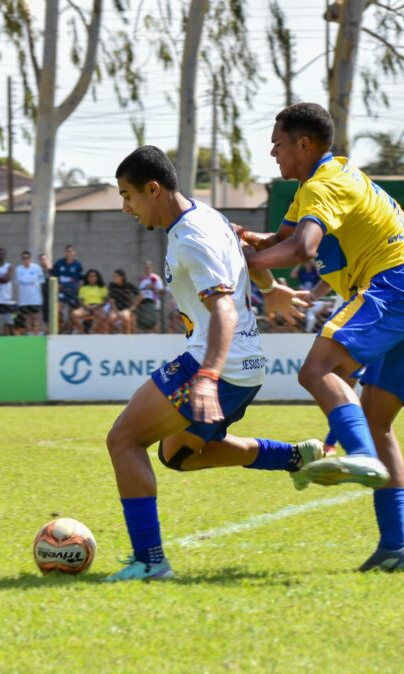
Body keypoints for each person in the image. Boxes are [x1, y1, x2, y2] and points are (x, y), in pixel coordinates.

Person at [243, 102, 404, 572]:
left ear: (304, 144)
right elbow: (279, 239)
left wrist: (252, 268)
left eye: (278, 143)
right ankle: (395, 550)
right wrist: (247, 243)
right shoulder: (316, 186)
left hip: (397, 282)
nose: (272, 151)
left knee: (315, 370)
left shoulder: (324, 183)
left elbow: (300, 248)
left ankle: (355, 454)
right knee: (377, 422)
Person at [102, 146, 318, 581]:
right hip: (245, 365)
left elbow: (223, 310)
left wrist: (206, 375)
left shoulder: (192, 238)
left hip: (216, 362)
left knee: (123, 440)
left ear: (153, 188)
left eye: (128, 196)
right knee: (180, 455)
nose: (126, 207)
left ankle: (149, 561)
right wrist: (271, 288)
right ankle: (295, 457)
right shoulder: (208, 217)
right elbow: (242, 252)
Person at [51, 244, 84, 326]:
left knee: (72, 312)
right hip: (62, 290)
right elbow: (53, 276)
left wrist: (80, 291)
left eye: (71, 251)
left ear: (74, 253)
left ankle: (68, 329)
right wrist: (57, 285)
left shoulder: (78, 265)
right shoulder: (59, 263)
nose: (69, 253)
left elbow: (80, 280)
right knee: (58, 308)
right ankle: (61, 324)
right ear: (65, 253)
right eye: (67, 251)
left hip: (73, 291)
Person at [15, 250, 46, 335]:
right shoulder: (18, 269)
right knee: (27, 318)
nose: (25, 260)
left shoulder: (37, 268)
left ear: (30, 258)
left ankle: (39, 333)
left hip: (35, 298)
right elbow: (17, 283)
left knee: (37, 317)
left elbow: (41, 281)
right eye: (23, 258)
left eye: (27, 258)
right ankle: (30, 334)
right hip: (24, 299)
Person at [71, 269, 109, 334]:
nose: (92, 278)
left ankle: (102, 334)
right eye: (90, 276)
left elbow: (104, 300)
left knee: (103, 317)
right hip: (86, 307)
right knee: (74, 314)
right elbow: (81, 300)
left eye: (94, 276)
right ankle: (82, 332)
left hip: (98, 307)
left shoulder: (102, 287)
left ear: (97, 277)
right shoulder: (83, 288)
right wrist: (86, 306)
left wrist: (96, 306)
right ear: (87, 278)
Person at [136, 261, 166, 333]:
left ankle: (157, 338)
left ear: (152, 268)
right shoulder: (142, 279)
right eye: (146, 268)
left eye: (148, 267)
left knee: (155, 322)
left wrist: (153, 288)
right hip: (143, 304)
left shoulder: (155, 278)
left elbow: (162, 292)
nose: (147, 269)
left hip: (154, 303)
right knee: (145, 324)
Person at [106, 269, 139, 334]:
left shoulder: (128, 285)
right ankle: (112, 336)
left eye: (116, 277)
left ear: (122, 277)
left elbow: (140, 295)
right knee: (110, 320)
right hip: (115, 309)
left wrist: (134, 306)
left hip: (126, 309)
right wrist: (117, 312)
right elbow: (111, 300)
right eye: (114, 277)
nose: (114, 278)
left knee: (125, 318)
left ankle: (127, 336)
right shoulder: (112, 286)